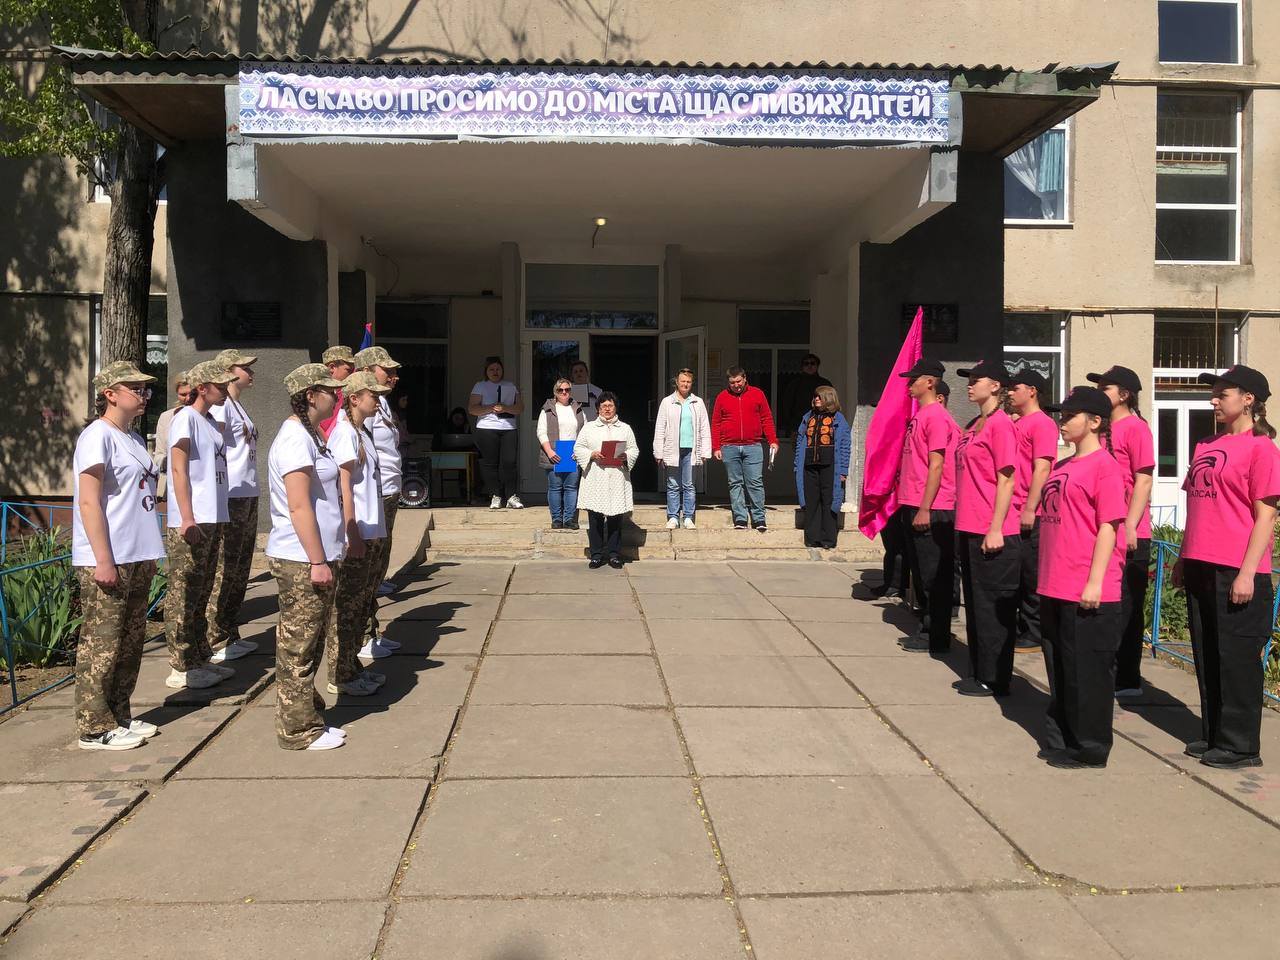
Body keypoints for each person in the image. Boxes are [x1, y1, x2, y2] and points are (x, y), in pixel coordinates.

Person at [1173, 364, 1280, 770]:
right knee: (1208, 654)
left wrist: (1248, 572)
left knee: (1237, 660)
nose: (1213, 400)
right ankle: (1215, 733)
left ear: (1248, 399)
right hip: (1201, 562)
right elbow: (1195, 506)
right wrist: (1183, 556)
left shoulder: (1262, 449)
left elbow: (1266, 516)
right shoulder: (1205, 445)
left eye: (1222, 393)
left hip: (1236, 567)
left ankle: (1241, 746)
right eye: (1213, 393)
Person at [71, 361, 165, 751]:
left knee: (129, 641)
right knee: (102, 643)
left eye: (146, 390)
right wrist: (103, 559)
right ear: (110, 394)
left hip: (137, 552)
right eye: (135, 389)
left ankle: (119, 713)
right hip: (109, 555)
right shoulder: (97, 436)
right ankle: (94, 726)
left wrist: (151, 552)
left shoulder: (132, 437)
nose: (144, 395)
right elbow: (89, 502)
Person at [1036, 386, 1129, 768]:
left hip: (1086, 587)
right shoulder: (1063, 466)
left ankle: (1090, 748)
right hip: (1054, 582)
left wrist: (1095, 581)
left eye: (1070, 416)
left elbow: (1109, 526)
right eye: (1061, 415)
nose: (1062, 421)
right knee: (1060, 667)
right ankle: (1063, 737)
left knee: (1088, 672)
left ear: (1094, 422)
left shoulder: (1105, 466)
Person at [267, 363, 348, 751]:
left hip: (317, 554)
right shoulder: (294, 439)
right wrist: (317, 561)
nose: (337, 396)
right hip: (300, 558)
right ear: (310, 395)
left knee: (311, 642)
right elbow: (298, 506)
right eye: (330, 391)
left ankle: (308, 713)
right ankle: (297, 729)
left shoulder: (311, 435)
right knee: (298, 646)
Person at [163, 359, 236, 691]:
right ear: (202, 388)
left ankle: (199, 656)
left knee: (203, 589)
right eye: (220, 386)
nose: (225, 391)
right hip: (193, 518)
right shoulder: (186, 419)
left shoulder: (208, 421)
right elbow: (178, 469)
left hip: (212, 514)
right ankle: (181, 664)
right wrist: (186, 516)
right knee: (184, 592)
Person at [954, 360, 1022, 697]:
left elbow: (1006, 478)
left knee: (992, 608)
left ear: (995, 386)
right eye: (968, 380)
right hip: (969, 525)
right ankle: (980, 670)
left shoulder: (1001, 425)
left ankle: (994, 678)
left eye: (976, 380)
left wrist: (995, 528)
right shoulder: (974, 424)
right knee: (977, 605)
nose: (969, 385)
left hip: (993, 530)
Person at [1088, 365, 1155, 699]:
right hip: (1105, 530)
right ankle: (1106, 671)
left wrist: (1130, 524)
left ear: (1125, 395)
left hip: (1131, 533)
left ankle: (1127, 679)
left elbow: (1143, 480)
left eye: (1106, 388)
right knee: (1107, 605)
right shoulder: (1103, 429)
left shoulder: (1136, 428)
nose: (1100, 393)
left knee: (1127, 607)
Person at [328, 371, 391, 697]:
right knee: (348, 606)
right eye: (372, 395)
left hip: (369, 528)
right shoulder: (344, 433)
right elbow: (343, 487)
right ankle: (341, 673)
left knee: (360, 602)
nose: (378, 400)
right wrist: (351, 532)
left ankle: (351, 667)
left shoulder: (361, 431)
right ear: (354, 398)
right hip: (358, 532)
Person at [894, 359, 958, 654]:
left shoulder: (937, 417)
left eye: (914, 380)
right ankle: (927, 627)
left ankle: (937, 635)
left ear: (930, 382)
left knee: (935, 576)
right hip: (912, 502)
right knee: (921, 573)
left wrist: (925, 508)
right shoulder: (921, 416)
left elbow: (937, 465)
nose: (909, 385)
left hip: (932, 506)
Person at [206, 349, 260, 664]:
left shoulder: (237, 405)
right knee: (226, 566)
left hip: (247, 491)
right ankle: (215, 636)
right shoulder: (221, 407)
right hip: (232, 493)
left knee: (240, 567)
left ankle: (228, 630)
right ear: (228, 371)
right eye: (245, 367)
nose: (251, 372)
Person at [353, 345, 406, 652]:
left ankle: (370, 630)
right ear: (366, 372)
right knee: (369, 569)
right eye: (387, 371)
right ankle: (363, 635)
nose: (394, 376)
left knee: (378, 565)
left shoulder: (381, 404)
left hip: (388, 488)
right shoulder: (365, 411)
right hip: (376, 491)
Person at [1008, 369, 1060, 655]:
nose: (1010, 392)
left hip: (1031, 512)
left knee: (1031, 574)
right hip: (1011, 509)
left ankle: (1034, 631)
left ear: (1032, 391)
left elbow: (1042, 468)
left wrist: (1030, 507)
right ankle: (1021, 626)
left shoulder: (1042, 424)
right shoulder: (1016, 422)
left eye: (1015, 387)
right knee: (1016, 573)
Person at [574, 391, 639, 568]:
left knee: (615, 517)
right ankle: (596, 554)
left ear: (615, 408)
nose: (607, 409)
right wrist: (591, 454)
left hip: (617, 476)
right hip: (596, 477)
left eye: (610, 406)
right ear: (598, 409)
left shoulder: (625, 428)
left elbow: (634, 449)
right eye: (604, 406)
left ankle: (614, 554)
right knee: (595, 517)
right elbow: (578, 448)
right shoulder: (589, 428)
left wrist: (626, 456)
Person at [712, 366, 778, 532]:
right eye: (732, 382)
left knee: (755, 482)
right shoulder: (722, 397)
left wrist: (772, 440)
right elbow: (716, 423)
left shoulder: (757, 394)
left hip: (753, 445)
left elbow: (766, 418)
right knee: (735, 483)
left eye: (738, 381)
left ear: (745, 378)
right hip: (729, 446)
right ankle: (740, 518)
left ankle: (759, 517)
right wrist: (716, 446)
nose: (736, 385)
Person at [653, 368, 712, 530]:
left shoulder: (698, 402)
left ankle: (688, 517)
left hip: (691, 450)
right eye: (682, 381)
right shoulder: (667, 402)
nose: (685, 384)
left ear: (692, 383)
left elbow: (704, 427)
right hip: (672, 448)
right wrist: (658, 452)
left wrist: (705, 450)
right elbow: (660, 427)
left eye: (688, 382)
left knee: (689, 484)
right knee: (673, 484)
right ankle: (673, 516)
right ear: (676, 382)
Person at [794, 384, 851, 549]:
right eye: (815, 396)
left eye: (820, 396)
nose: (816, 399)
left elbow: (845, 446)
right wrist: (797, 464)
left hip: (830, 466)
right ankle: (812, 538)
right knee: (811, 501)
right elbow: (799, 442)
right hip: (809, 465)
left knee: (829, 501)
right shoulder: (808, 417)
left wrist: (843, 470)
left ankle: (828, 539)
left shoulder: (838, 419)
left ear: (829, 398)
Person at [469, 356, 524, 509]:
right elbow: (472, 408)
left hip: (508, 428)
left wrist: (505, 408)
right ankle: (495, 495)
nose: (495, 372)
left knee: (509, 462)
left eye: (498, 369)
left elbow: (520, 408)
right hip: (486, 428)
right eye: (491, 369)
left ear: (502, 370)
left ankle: (511, 496)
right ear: (486, 371)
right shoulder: (480, 386)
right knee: (489, 463)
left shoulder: (510, 386)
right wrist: (491, 407)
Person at [538, 377, 586, 529]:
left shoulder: (578, 408)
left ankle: (569, 519)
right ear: (555, 392)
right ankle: (557, 519)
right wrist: (549, 452)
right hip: (554, 452)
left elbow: (584, 432)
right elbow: (541, 432)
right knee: (555, 487)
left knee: (571, 488)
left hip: (572, 453)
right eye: (560, 390)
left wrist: (578, 451)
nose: (564, 392)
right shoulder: (547, 409)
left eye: (567, 389)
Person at [152, 370, 191, 499]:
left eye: (191, 393)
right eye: (183, 394)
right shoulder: (167, 417)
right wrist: (167, 461)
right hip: (173, 485)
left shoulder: (209, 416)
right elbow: (159, 454)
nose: (188, 399)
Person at [780, 352, 833, 437]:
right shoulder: (795, 384)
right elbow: (787, 406)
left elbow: (831, 404)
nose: (809, 366)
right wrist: (790, 426)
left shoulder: (824, 384)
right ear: (802, 367)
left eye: (812, 363)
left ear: (817, 366)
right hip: (798, 426)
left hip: (821, 426)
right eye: (806, 363)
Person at [319, 346, 355, 438]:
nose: (352, 374)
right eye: (349, 370)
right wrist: (327, 442)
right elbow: (313, 422)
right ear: (332, 367)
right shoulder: (318, 392)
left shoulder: (347, 391)